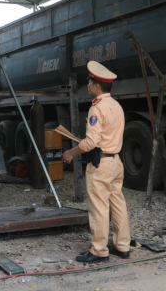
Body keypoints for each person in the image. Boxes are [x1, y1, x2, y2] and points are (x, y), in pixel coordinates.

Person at [62, 61, 130, 263]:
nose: (88, 86)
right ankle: (122, 246)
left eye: (90, 83)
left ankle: (100, 251)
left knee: (99, 207)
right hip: (116, 162)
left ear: (97, 86)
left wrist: (71, 152)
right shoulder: (116, 106)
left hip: (101, 165)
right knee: (117, 203)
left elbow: (91, 142)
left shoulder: (96, 109)